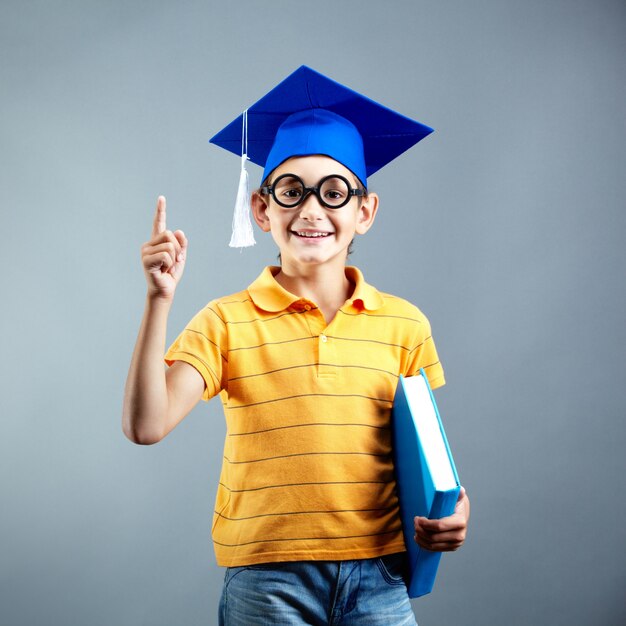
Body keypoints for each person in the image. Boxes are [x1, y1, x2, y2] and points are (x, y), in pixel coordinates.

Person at [123, 66, 470, 625]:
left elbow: (427, 456)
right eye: (292, 191)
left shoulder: (405, 325)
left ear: (365, 211)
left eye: (334, 192)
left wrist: (454, 512)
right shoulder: (226, 322)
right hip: (266, 581)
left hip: (380, 576)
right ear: (262, 209)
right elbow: (146, 425)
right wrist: (158, 299)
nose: (312, 210)